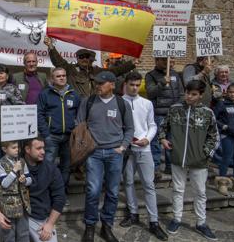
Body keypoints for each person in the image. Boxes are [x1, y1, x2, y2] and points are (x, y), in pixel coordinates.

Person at [77, 71, 134, 242]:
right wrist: (84, 145)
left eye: (101, 83)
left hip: (114, 153)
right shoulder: (88, 102)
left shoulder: (121, 103)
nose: (97, 86)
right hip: (93, 154)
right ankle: (90, 226)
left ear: (112, 85)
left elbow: (130, 128)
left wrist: (123, 146)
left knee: (113, 192)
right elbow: (79, 124)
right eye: (96, 83)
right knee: (93, 190)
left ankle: (106, 227)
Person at [160, 80, 219, 240]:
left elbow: (214, 137)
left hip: (199, 162)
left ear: (200, 95)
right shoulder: (174, 109)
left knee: (200, 192)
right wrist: (163, 139)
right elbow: (163, 127)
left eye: (193, 94)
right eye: (187, 93)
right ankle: (176, 219)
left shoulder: (207, 113)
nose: (189, 96)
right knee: (178, 190)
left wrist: (205, 153)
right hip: (178, 159)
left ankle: (201, 223)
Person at [119, 72, 168, 241]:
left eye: (137, 85)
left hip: (144, 149)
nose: (134, 88)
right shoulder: (119, 102)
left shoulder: (146, 103)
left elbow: (152, 125)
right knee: (129, 182)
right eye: (131, 84)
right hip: (126, 150)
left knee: (148, 184)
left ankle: (154, 221)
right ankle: (133, 213)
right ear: (125, 84)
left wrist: (147, 139)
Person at [0, 137, 66, 242]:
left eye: (43, 148)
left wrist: (50, 224)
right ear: (27, 149)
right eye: (39, 148)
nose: (43, 152)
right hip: (16, 210)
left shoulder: (51, 169)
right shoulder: (13, 162)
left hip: (38, 218)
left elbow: (60, 198)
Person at [44, 36, 135, 98]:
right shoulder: (71, 69)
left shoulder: (96, 71)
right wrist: (50, 46)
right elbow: (58, 61)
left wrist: (132, 63)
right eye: (81, 57)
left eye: (87, 57)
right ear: (77, 58)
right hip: (77, 107)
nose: (84, 59)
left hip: (94, 107)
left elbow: (115, 71)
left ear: (90, 59)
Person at [37, 67, 80, 190]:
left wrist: (75, 130)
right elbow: (39, 114)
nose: (62, 78)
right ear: (52, 78)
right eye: (58, 76)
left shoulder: (73, 94)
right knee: (48, 165)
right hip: (52, 136)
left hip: (68, 137)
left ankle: (61, 192)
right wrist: (46, 133)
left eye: (63, 75)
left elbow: (79, 113)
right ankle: (47, 192)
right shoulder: (45, 94)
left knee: (65, 166)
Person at [145, 57, 185, 176]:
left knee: (172, 141)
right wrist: (162, 82)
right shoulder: (150, 75)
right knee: (156, 143)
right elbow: (151, 92)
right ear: (157, 61)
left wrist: (180, 106)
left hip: (174, 113)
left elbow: (181, 92)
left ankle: (169, 166)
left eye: (172, 61)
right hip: (159, 113)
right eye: (165, 61)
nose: (170, 63)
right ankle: (155, 168)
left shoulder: (175, 74)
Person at [0, 64, 25, 168]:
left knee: (9, 156)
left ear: (7, 76)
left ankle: (12, 181)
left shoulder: (12, 89)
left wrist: (9, 96)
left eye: (2, 73)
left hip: (7, 128)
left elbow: (21, 105)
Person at [0, 141, 33, 242]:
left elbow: (30, 180)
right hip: (8, 205)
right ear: (4, 149)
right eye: (13, 147)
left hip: (23, 204)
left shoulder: (22, 161)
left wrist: (25, 180)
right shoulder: (0, 163)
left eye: (18, 147)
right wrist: (14, 171)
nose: (17, 149)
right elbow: (4, 184)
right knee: (9, 233)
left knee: (23, 232)